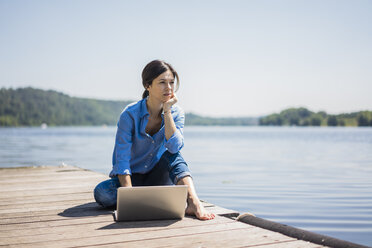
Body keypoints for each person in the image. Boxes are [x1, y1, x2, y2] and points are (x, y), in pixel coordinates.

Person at [94, 59, 215, 220]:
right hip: (132, 178)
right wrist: (129, 196)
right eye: (162, 82)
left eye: (172, 82)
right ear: (147, 85)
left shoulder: (177, 113)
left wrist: (167, 112)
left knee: (173, 155)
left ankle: (193, 202)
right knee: (102, 193)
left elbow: (174, 148)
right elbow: (121, 158)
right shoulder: (129, 114)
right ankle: (148, 197)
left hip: (159, 176)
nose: (169, 87)